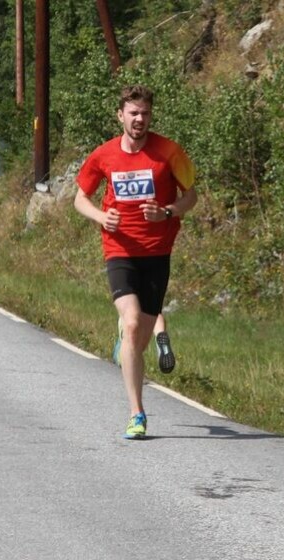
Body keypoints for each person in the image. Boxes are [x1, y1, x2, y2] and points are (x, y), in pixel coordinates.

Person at [74, 84, 198, 439]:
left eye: (145, 113)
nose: (139, 119)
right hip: (120, 250)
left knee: (139, 338)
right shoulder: (103, 155)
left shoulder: (169, 152)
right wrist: (101, 217)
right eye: (133, 113)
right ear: (121, 116)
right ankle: (137, 413)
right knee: (130, 323)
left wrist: (169, 212)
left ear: (150, 116)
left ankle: (127, 348)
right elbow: (80, 198)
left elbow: (191, 195)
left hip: (157, 253)